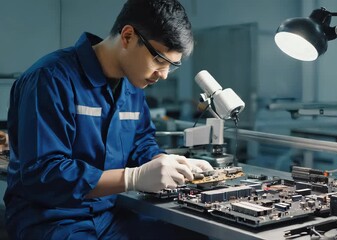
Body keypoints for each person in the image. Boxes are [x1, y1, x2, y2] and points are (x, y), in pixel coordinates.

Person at [4, 0, 213, 239]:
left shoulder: (133, 87)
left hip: (107, 215)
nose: (164, 75)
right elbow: (45, 174)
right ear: (127, 36)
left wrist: (168, 162)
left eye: (171, 66)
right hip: (50, 218)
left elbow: (140, 143)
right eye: (159, 60)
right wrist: (132, 178)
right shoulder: (50, 79)